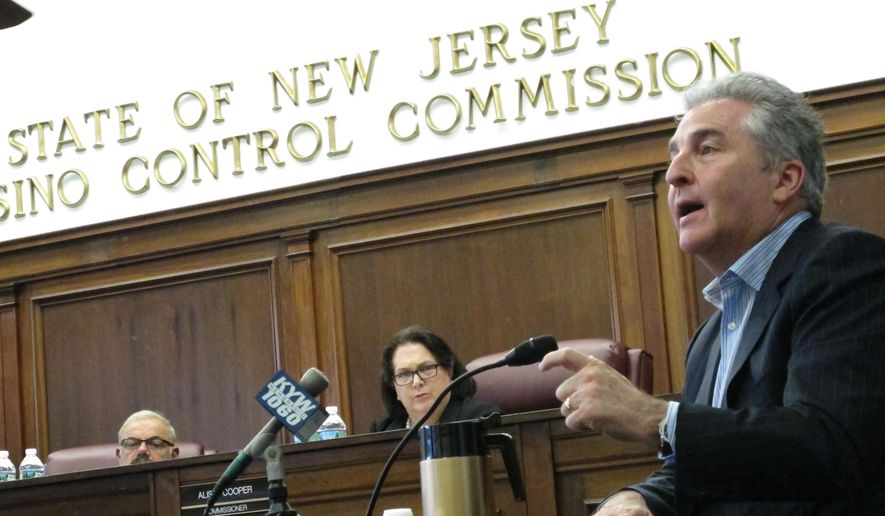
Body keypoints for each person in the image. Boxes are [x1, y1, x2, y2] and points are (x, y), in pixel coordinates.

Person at [540, 72, 885, 514]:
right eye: (674, 155)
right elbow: (710, 467)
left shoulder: (844, 266)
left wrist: (655, 417)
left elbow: (829, 445)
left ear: (784, 179)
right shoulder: (709, 338)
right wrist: (638, 499)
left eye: (706, 149)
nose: (674, 173)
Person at [370, 325, 499, 431]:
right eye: (404, 374)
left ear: (449, 372)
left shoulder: (481, 419)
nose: (417, 382)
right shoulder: (382, 432)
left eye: (426, 368)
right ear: (394, 387)